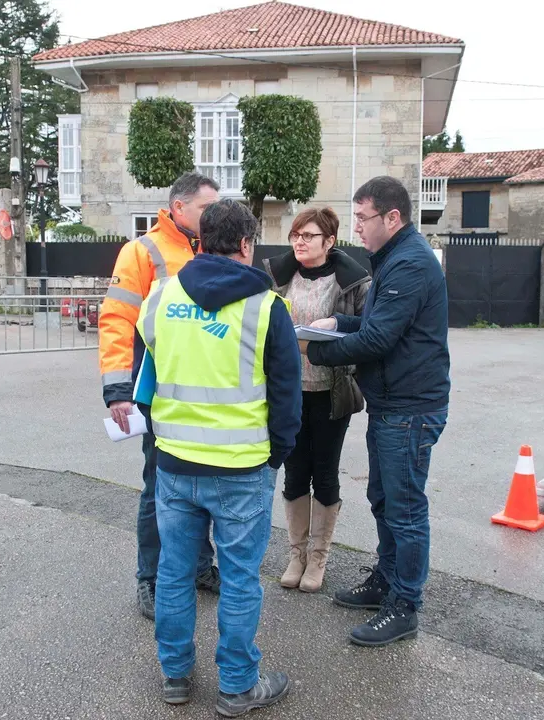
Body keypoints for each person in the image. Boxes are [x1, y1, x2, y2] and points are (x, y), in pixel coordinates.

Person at [136, 198, 301, 716]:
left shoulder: (160, 296)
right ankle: (237, 686)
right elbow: (287, 397)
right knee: (239, 578)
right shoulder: (268, 308)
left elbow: (145, 380)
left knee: (174, 573)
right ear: (247, 244)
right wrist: (277, 454)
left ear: (201, 241)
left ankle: (175, 676)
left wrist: (165, 434)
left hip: (174, 464)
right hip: (242, 468)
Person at [301, 176, 450, 648]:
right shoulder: (393, 258)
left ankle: (405, 605)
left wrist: (313, 351)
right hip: (391, 403)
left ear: (393, 217)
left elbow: (379, 339)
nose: (357, 228)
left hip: (409, 407)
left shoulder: (410, 264)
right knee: (384, 499)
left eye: (363, 218)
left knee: (404, 509)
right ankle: (386, 581)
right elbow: (375, 322)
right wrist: (338, 321)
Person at [98, 171, 223, 620]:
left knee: (203, 484)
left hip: (206, 390)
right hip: (159, 393)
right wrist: (118, 390)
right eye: (207, 208)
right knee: (159, 487)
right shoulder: (142, 251)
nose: (214, 215)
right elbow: (116, 319)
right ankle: (149, 578)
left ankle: (199, 566)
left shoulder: (211, 248)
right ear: (178, 208)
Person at [263, 207, 370, 593]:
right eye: (296, 235)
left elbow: (370, 327)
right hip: (288, 392)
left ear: (330, 241)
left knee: (324, 473)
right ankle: (297, 554)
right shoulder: (278, 277)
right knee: (294, 472)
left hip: (331, 391)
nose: (300, 242)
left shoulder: (352, 282)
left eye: (308, 236)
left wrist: (337, 323)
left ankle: (319, 557)